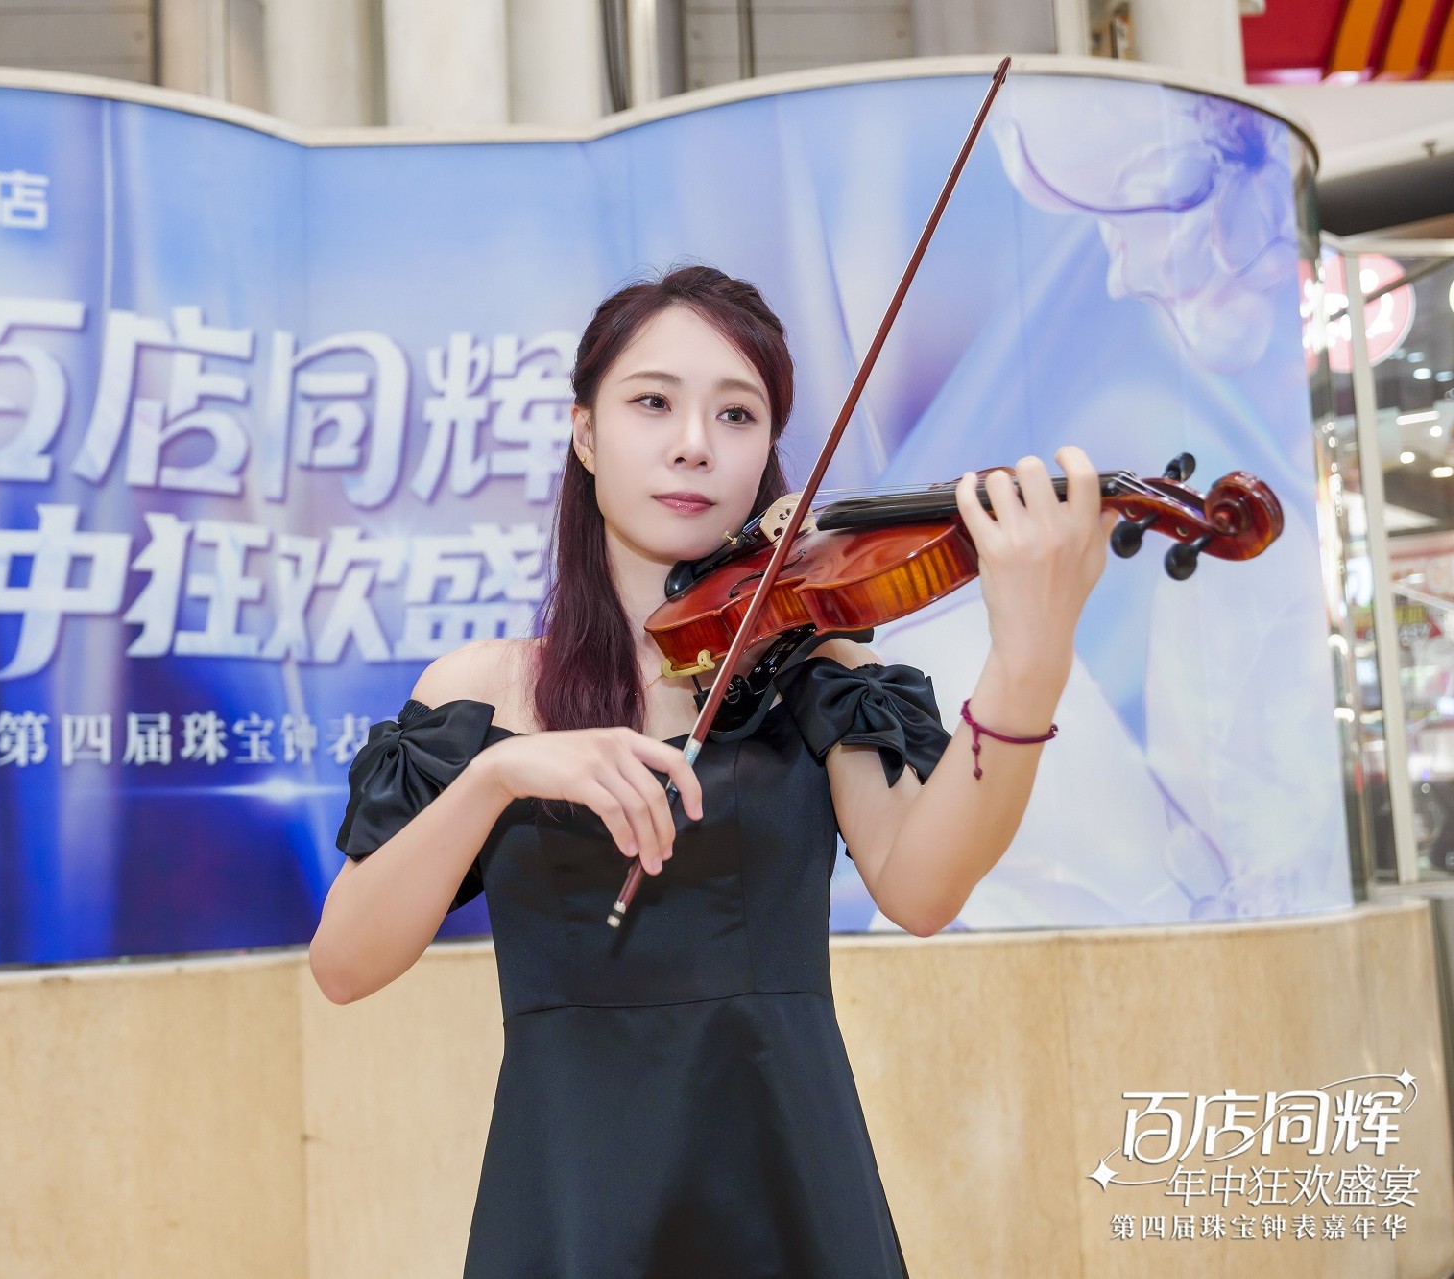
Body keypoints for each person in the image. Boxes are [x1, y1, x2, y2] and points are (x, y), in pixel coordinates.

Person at [308, 264, 1117, 1277]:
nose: (695, 441)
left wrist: (1029, 665)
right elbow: (344, 962)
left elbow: (923, 888)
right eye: (653, 402)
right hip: (570, 1194)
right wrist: (499, 775)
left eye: (737, 414)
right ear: (585, 433)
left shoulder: (818, 667)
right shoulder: (485, 690)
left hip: (786, 1180)